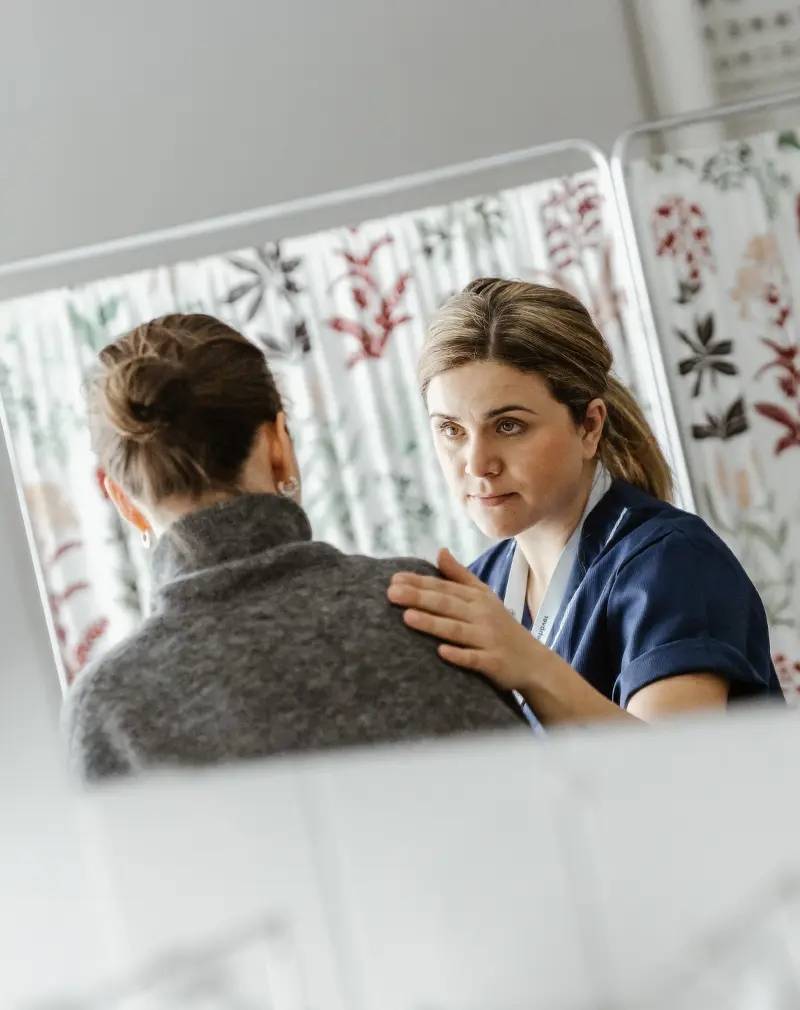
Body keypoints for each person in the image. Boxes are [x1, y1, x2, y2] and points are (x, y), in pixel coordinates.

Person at [62, 313, 524, 780]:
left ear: (123, 501)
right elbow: (540, 796)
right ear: (278, 444)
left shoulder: (107, 706)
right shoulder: (421, 601)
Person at [387, 278, 784, 728]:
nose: (478, 464)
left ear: (590, 426)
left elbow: (676, 765)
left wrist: (530, 665)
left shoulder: (672, 563)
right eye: (451, 430)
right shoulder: (477, 590)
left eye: (509, 426)